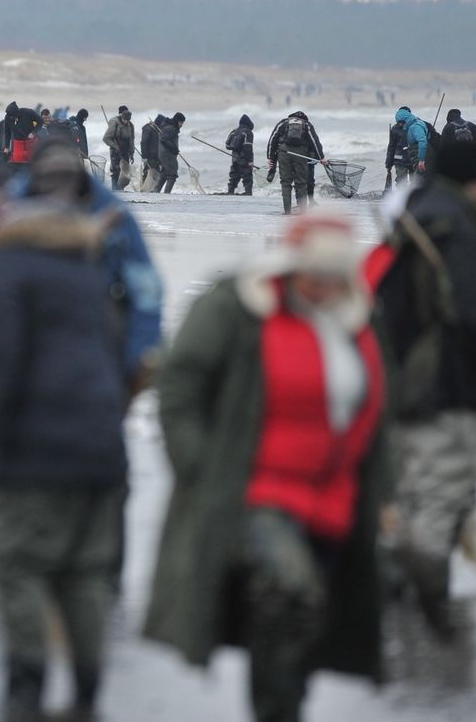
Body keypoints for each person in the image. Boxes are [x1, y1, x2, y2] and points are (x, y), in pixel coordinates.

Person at [147, 215, 389, 722]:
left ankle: (283, 706)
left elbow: (376, 414)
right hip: (258, 493)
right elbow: (180, 387)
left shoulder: (358, 319)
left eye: (334, 274)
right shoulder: (237, 307)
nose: (322, 285)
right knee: (290, 592)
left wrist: (383, 494)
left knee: (301, 619)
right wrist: (200, 471)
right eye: (314, 272)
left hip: (332, 499)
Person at [0, 143, 147, 721]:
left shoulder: (9, 267)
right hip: (100, 443)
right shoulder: (85, 269)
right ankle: (88, 693)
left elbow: (1, 362)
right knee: (84, 574)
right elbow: (129, 332)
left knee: (18, 565)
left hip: (35, 449)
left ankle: (26, 687)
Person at [371, 137, 476, 638]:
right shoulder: (458, 232)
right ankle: (421, 608)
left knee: (410, 491)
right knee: (444, 493)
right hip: (446, 386)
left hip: (400, 384)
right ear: (474, 180)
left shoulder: (406, 222)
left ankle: (397, 595)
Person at [266, 111, 325, 214]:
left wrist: (270, 157)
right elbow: (315, 141)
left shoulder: (283, 123)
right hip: (300, 154)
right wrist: (321, 157)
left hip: (284, 153)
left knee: (285, 183)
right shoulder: (306, 124)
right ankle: (302, 212)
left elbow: (272, 140)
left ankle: (287, 212)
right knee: (301, 183)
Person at [102, 106, 135, 191]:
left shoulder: (131, 125)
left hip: (126, 152)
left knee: (124, 173)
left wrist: (132, 153)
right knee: (116, 171)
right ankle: (115, 190)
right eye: (125, 120)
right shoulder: (114, 123)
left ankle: (120, 189)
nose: (126, 122)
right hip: (115, 151)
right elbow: (106, 138)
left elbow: (132, 140)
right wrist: (114, 146)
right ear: (121, 116)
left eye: (128, 120)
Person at [395, 106, 432, 175]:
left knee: (418, 176)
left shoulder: (416, 126)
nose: (400, 124)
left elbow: (423, 142)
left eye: (400, 122)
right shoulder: (405, 127)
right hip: (407, 155)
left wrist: (421, 160)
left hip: (419, 154)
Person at [226, 114, 255, 195]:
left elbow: (227, 145)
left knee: (233, 178)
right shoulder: (248, 133)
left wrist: (235, 150)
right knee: (247, 179)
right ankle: (248, 194)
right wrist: (250, 161)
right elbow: (248, 148)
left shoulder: (234, 131)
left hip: (234, 159)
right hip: (244, 160)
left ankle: (230, 192)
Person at [155, 112, 185, 194]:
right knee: (172, 175)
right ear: (177, 121)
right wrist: (174, 148)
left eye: (182, 122)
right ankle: (167, 194)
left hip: (164, 154)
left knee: (164, 173)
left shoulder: (168, 126)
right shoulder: (171, 128)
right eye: (181, 122)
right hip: (167, 154)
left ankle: (155, 192)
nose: (181, 124)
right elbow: (164, 139)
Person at [385, 110, 413, 189]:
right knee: (401, 183)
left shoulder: (414, 127)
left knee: (414, 183)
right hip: (401, 161)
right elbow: (391, 147)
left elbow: (391, 147)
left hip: (411, 160)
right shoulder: (395, 129)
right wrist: (388, 164)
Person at [139, 115, 164, 192]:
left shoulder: (156, 130)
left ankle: (150, 190)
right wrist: (144, 157)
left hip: (156, 157)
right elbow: (143, 143)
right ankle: (144, 190)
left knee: (153, 174)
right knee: (148, 173)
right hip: (149, 156)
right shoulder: (148, 129)